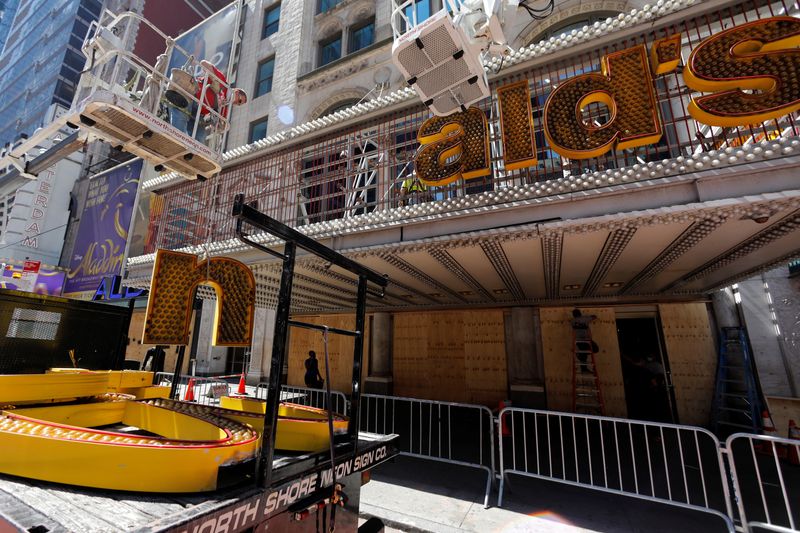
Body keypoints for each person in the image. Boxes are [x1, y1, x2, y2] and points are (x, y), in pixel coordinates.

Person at [571, 309, 598, 373]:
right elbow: (595, 317)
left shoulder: (572, 321)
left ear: (574, 315)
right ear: (580, 313)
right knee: (596, 349)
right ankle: (580, 355)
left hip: (578, 341)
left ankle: (584, 368)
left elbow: (576, 325)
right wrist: (589, 317)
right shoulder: (585, 318)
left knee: (583, 354)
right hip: (586, 340)